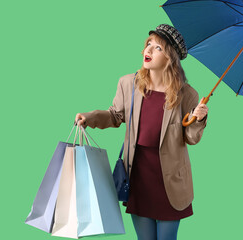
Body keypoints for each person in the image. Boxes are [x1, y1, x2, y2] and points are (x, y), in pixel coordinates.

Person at [75, 24, 208, 240]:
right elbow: (114, 115)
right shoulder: (128, 83)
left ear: (170, 58)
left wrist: (199, 119)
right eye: (149, 44)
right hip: (138, 176)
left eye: (158, 48)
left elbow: (191, 138)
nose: (148, 51)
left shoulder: (187, 95)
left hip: (170, 181)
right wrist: (89, 118)